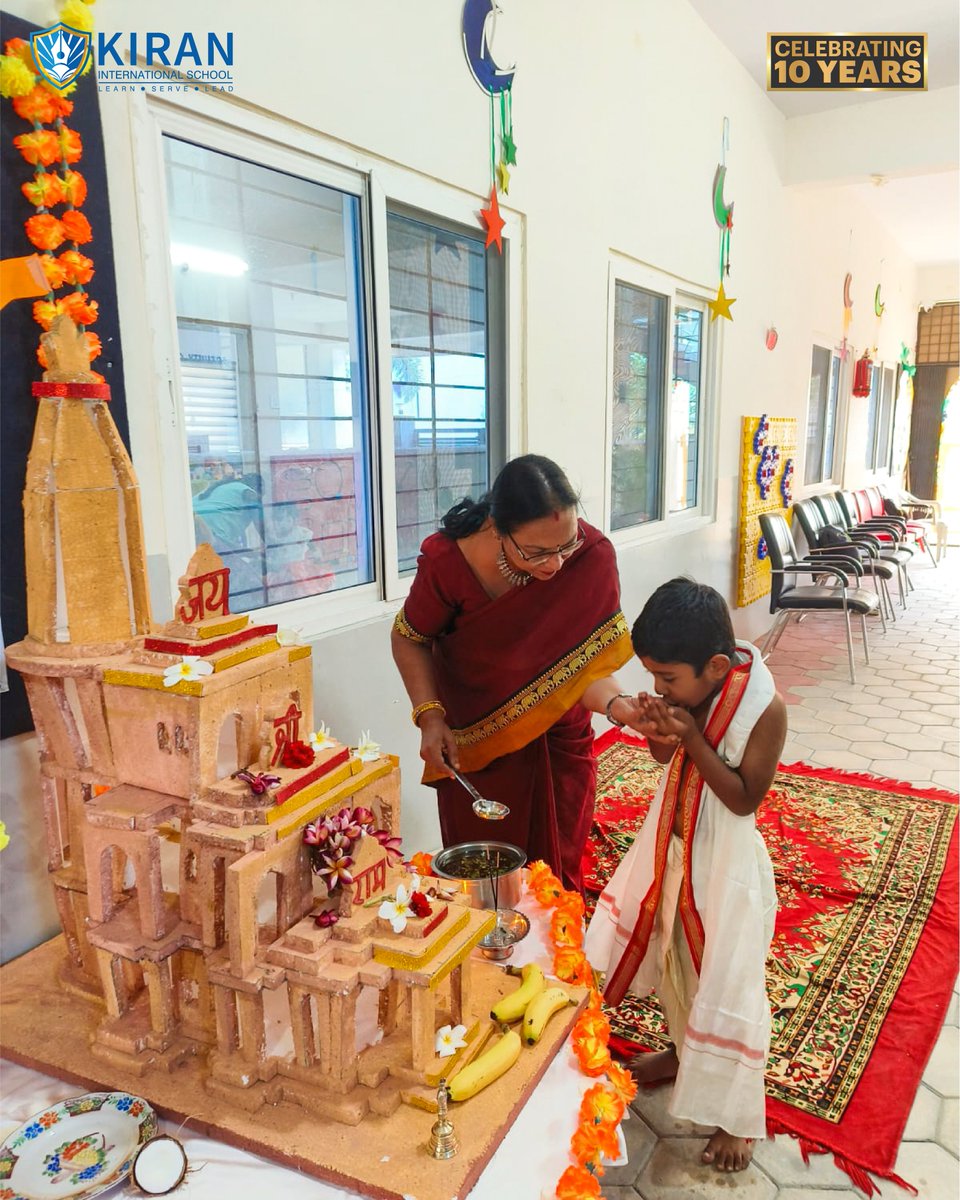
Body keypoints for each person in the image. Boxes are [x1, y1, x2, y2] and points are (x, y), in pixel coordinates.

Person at [584, 578, 787, 1174]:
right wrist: (660, 725)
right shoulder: (690, 688)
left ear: (716, 666)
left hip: (724, 864)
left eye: (667, 679)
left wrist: (693, 736)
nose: (658, 688)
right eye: (652, 677)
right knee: (675, 956)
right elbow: (662, 755)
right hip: (672, 847)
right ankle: (680, 1051)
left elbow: (744, 798)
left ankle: (735, 1117)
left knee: (725, 976)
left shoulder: (765, 709)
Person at [390, 454, 646, 892]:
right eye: (537, 553)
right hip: (477, 748)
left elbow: (583, 671)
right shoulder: (450, 562)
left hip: (559, 740)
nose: (556, 565)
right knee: (485, 880)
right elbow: (409, 637)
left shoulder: (591, 558)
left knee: (555, 876)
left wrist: (618, 706)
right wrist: (429, 718)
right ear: (497, 528)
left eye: (566, 545)